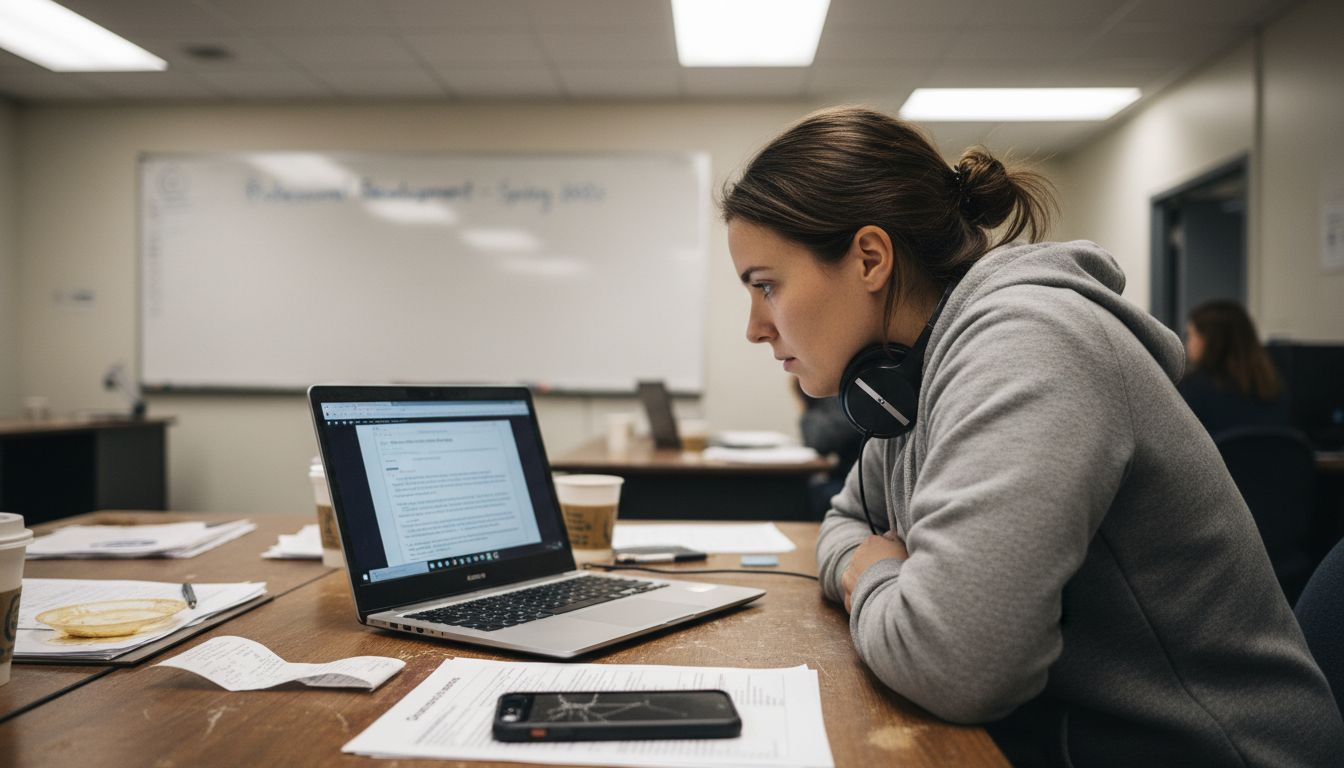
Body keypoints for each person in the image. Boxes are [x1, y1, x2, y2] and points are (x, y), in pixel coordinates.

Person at [720, 106, 1344, 766]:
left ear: (870, 258)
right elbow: (845, 519)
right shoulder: (910, 375)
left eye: (766, 286)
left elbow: (956, 664)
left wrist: (873, 575)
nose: (755, 327)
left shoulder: (1027, 346)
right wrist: (871, 568)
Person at [1180, 300, 1290, 438]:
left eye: (1191, 335)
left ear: (1208, 340)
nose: (1187, 343)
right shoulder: (1274, 387)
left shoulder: (1192, 388)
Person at [793, 378, 865, 517]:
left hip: (853, 484)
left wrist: (805, 400)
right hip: (848, 479)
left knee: (802, 495)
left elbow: (818, 441)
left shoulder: (845, 392)